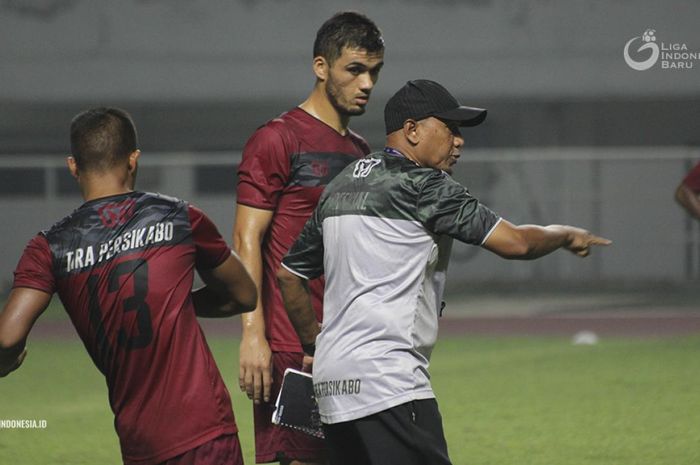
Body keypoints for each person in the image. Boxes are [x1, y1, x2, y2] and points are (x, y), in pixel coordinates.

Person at [276, 79, 612, 465]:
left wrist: (313, 348)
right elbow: (517, 243)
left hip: (333, 388)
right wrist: (564, 234)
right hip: (390, 384)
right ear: (412, 130)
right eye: (450, 129)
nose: (459, 141)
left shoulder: (340, 185)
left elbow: (289, 275)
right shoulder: (426, 186)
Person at [0, 108, 257, 465]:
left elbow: (7, 337)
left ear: (73, 166)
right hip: (203, 430)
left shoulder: (50, 246)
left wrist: (5, 363)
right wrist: (177, 303)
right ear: (133, 160)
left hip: (140, 442)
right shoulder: (179, 216)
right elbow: (245, 295)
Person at [232, 11, 384, 465]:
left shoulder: (360, 152)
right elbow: (246, 241)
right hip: (290, 347)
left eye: (374, 72)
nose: (367, 84)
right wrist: (253, 335)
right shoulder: (277, 139)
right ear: (321, 67)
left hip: (345, 344)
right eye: (355, 69)